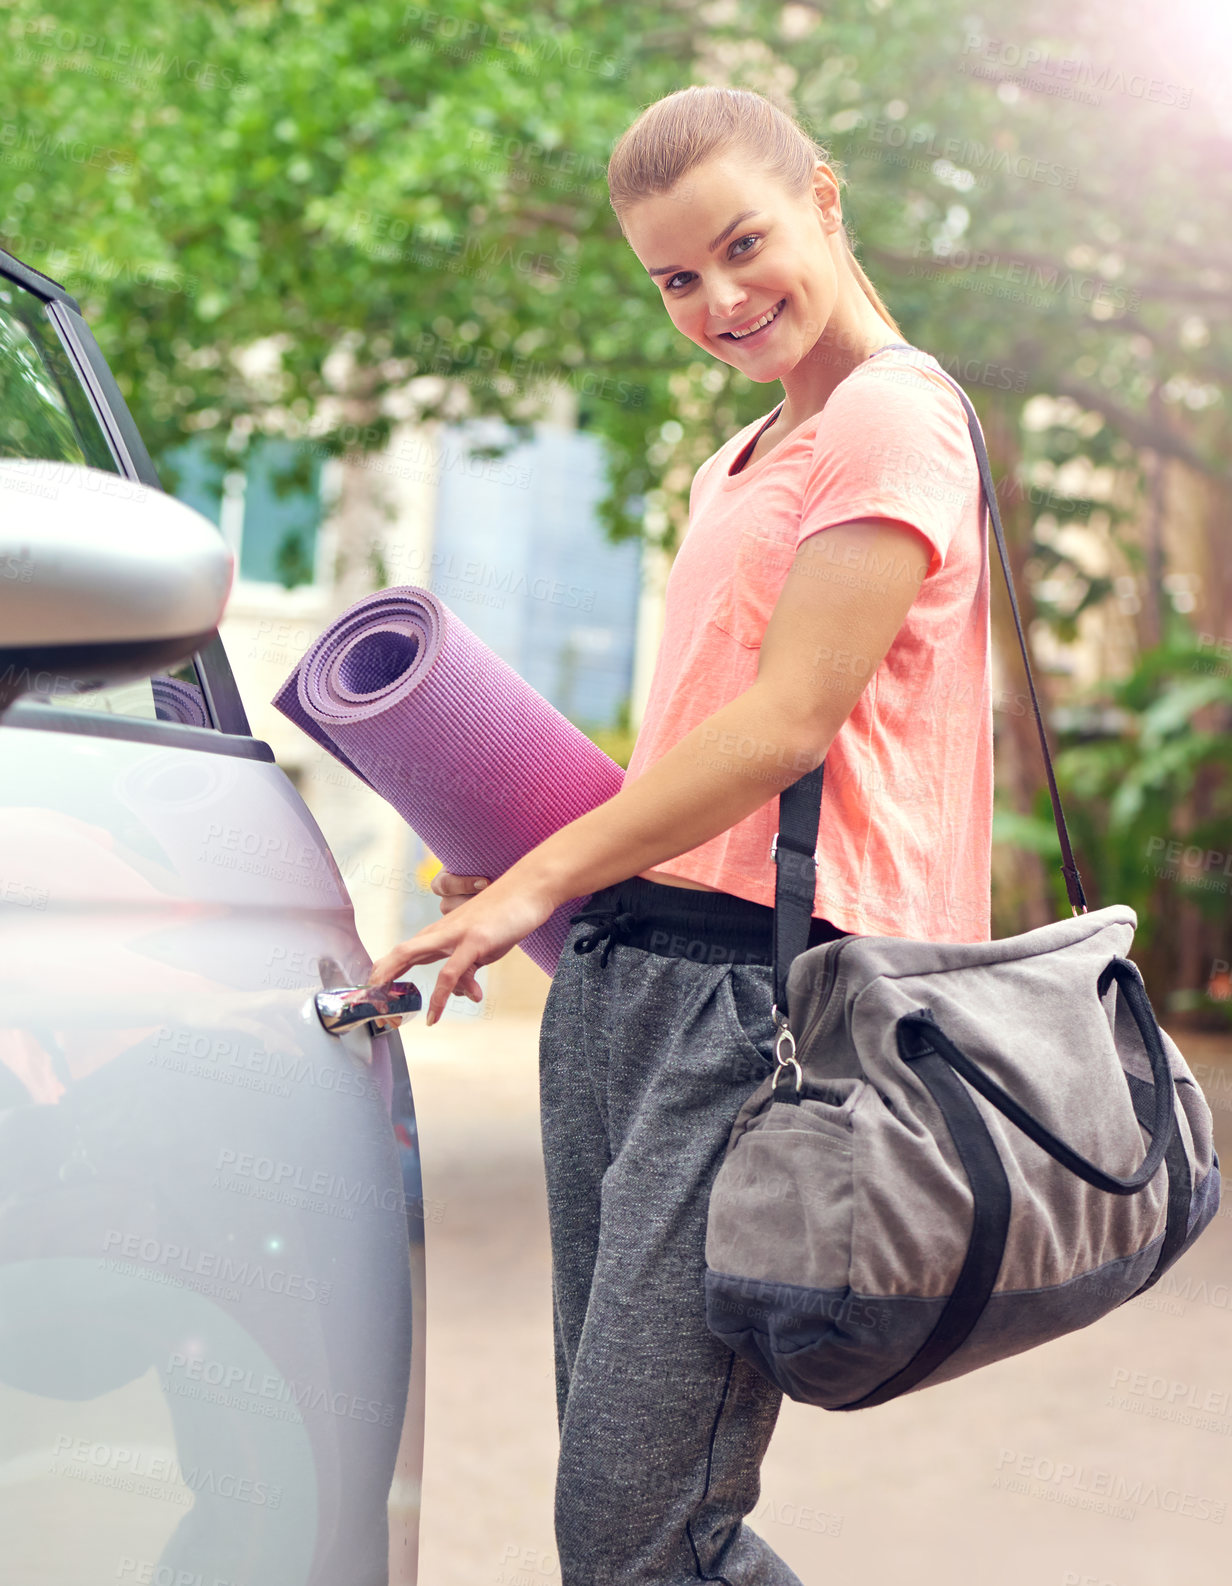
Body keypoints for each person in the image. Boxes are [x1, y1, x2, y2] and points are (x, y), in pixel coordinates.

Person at [370, 84, 992, 1585]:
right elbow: (700, 748)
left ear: (824, 198)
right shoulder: (738, 457)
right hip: (630, 986)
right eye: (675, 279)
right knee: (627, 1506)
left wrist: (538, 880)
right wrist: (526, 843)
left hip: (758, 1004)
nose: (719, 300)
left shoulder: (895, 417)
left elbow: (788, 727)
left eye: (744, 243)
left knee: (640, 1528)